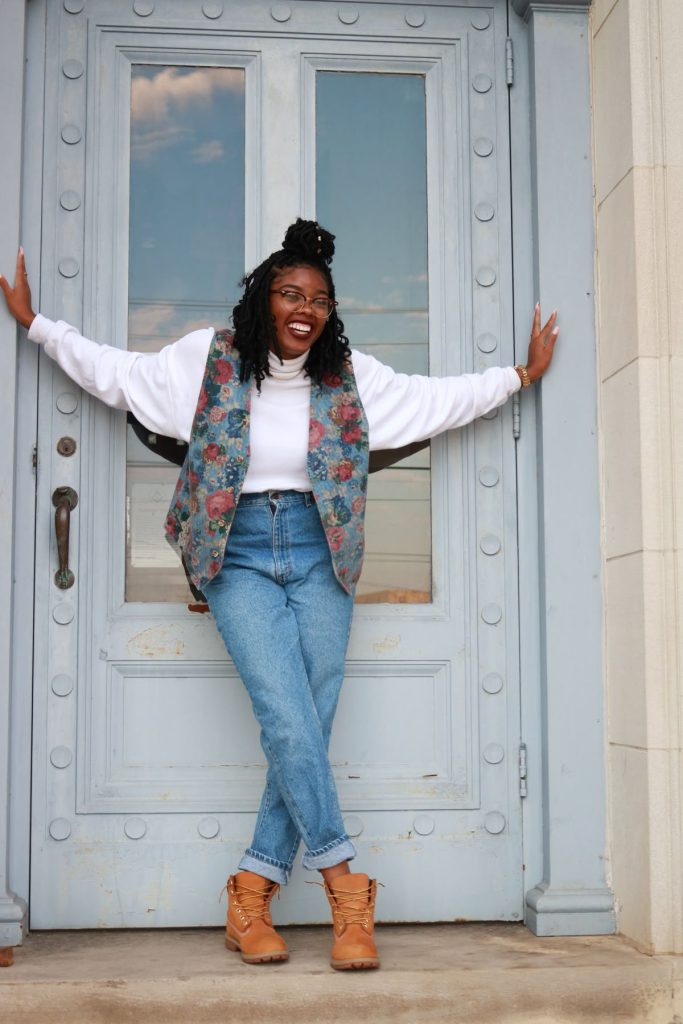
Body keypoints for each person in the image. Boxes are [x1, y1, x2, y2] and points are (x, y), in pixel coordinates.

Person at [0, 220, 558, 971]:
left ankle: (251, 890)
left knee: (307, 722)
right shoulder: (205, 360)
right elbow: (117, 373)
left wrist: (517, 377)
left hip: (321, 549)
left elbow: (434, 400)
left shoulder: (349, 378)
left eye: (319, 300)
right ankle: (346, 887)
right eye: (291, 294)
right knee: (289, 718)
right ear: (263, 297)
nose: (305, 309)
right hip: (235, 552)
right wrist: (38, 326)